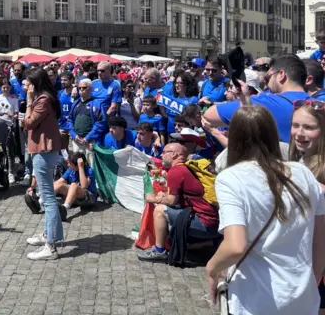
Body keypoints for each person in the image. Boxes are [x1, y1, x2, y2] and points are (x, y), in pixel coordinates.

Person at [206, 105, 325, 314]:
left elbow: (235, 246)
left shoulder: (230, 178)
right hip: (302, 297)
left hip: (256, 300)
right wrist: (310, 284)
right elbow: (319, 241)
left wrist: (212, 268)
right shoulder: (302, 172)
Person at [138, 142, 219, 262]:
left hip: (205, 224)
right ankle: (206, 243)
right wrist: (164, 195)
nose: (161, 155)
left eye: (164, 152)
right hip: (214, 222)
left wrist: (153, 198)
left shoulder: (176, 171)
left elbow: (171, 201)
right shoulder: (186, 168)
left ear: (174, 154)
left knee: (160, 210)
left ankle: (159, 251)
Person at [204, 54, 309, 143]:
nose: (266, 83)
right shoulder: (318, 104)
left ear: (281, 75)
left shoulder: (265, 103)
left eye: (268, 78)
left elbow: (209, 115)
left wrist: (243, 99)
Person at [23, 68, 63, 260]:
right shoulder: (45, 98)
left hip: (44, 151)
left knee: (47, 198)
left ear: (36, 83)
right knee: (46, 196)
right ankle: (50, 235)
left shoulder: (43, 100)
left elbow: (29, 123)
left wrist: (29, 101)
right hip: (42, 150)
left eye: (28, 83)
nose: (25, 86)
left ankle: (51, 247)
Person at [69, 78, 107, 165]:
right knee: (78, 166)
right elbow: (69, 120)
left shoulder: (97, 103)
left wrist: (88, 138)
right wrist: (74, 135)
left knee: (91, 166)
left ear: (90, 89)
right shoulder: (75, 103)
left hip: (90, 142)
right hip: (77, 141)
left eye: (84, 88)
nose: (81, 90)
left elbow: (101, 122)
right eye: (79, 88)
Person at [58, 72, 75, 150]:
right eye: (62, 80)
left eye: (65, 80)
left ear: (71, 80)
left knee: (76, 149)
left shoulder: (76, 93)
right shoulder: (60, 93)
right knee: (63, 148)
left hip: (73, 125)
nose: (63, 82)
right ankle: (65, 162)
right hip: (62, 124)